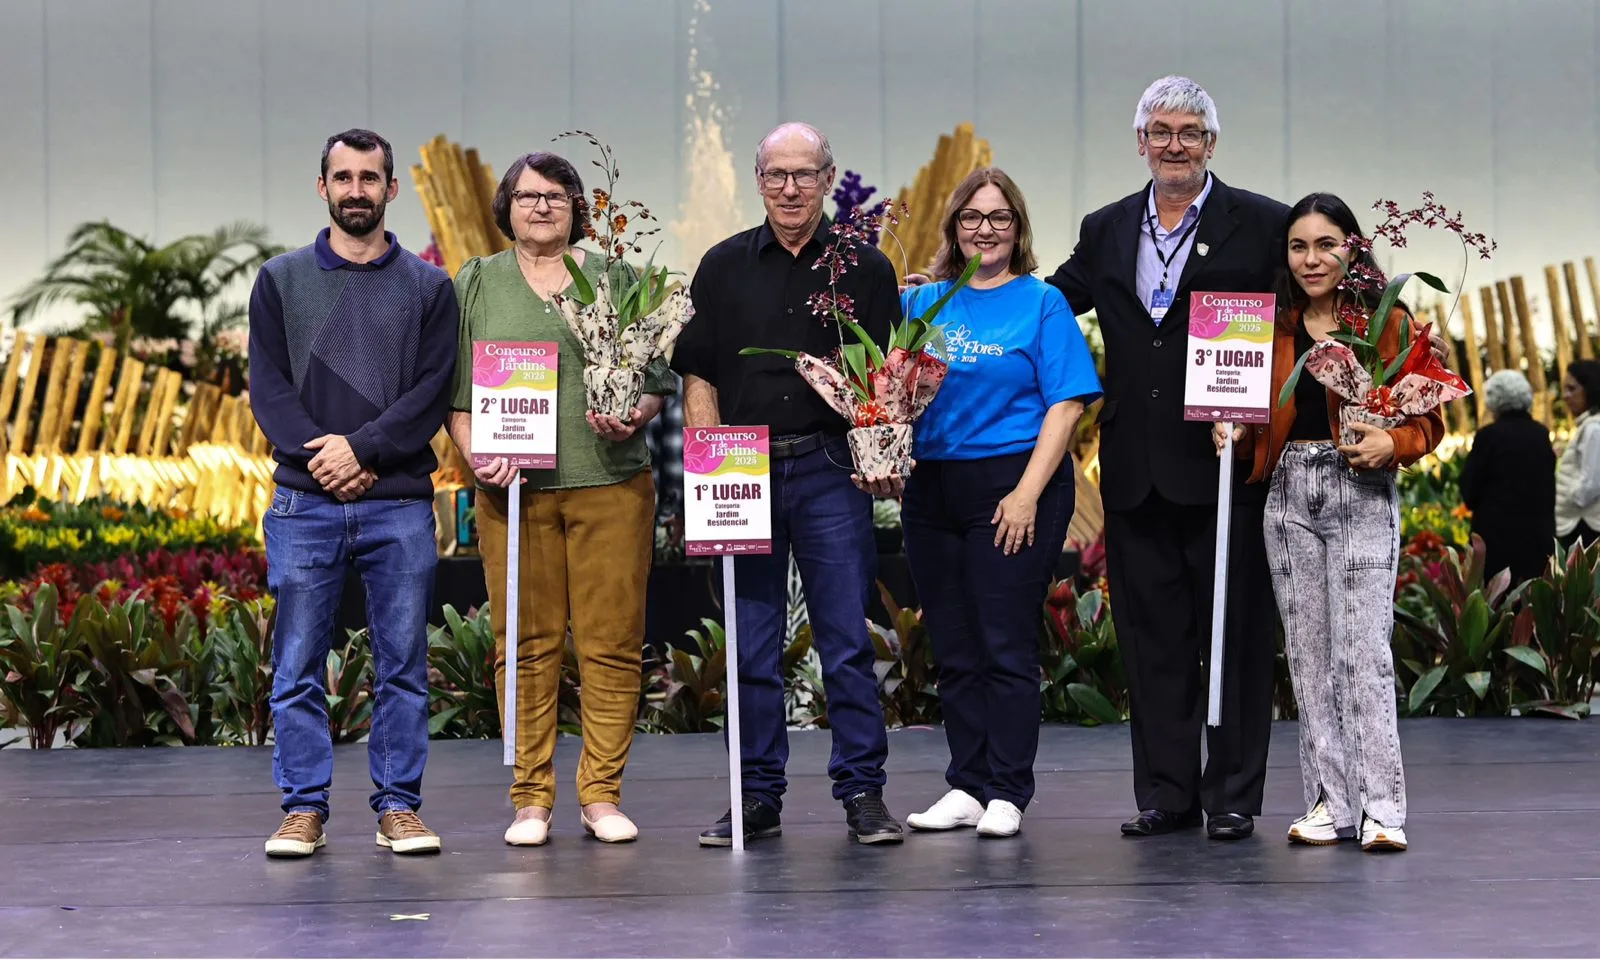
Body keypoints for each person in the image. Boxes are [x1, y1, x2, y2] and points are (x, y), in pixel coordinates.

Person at [1043, 76, 1286, 840]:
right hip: (1136, 471)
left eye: (1189, 132)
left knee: (1237, 639)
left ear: (1211, 144)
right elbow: (1054, 303)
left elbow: (1310, 318)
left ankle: (1235, 797)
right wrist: (957, 301)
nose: (1174, 144)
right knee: (1152, 645)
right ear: (1141, 141)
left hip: (1225, 470)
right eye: (1160, 131)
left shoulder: (1264, 225)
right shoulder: (1105, 227)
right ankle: (1166, 795)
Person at [672, 121, 905, 847]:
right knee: (751, 644)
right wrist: (707, 467)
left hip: (832, 468)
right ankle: (755, 798)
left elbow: (888, 379)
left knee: (845, 640)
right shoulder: (722, 265)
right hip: (742, 469)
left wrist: (885, 448)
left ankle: (863, 793)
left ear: (829, 179)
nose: (791, 188)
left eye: (805, 175)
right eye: (777, 175)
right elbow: (700, 373)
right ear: (759, 180)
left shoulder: (865, 268)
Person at [445, 151, 673, 847]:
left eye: (556, 196)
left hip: (610, 484)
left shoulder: (618, 277)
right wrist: (473, 451)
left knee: (611, 646)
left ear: (578, 207)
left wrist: (635, 413)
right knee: (525, 645)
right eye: (526, 195)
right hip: (512, 494)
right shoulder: (476, 283)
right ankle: (530, 798)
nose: (541, 206)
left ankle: (601, 794)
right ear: (505, 207)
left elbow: (657, 377)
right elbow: (455, 395)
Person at [249, 128, 458, 858]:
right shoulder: (279, 280)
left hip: (398, 504)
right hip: (304, 505)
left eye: (372, 178)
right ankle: (303, 808)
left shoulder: (431, 289)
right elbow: (268, 390)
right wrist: (328, 458)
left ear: (392, 189)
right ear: (323, 187)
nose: (358, 190)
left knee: (402, 664)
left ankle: (399, 806)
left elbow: (433, 391)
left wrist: (361, 451)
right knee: (299, 662)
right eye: (344, 177)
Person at [1226, 192, 1445, 852]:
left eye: (1327, 244)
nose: (1312, 258)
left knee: (1363, 654)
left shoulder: (1387, 324)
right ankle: (1329, 800)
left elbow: (1430, 417)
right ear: (1284, 255)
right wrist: (1234, 438)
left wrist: (1393, 444)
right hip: (1288, 494)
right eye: (1299, 246)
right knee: (1309, 657)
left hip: (1360, 490)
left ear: (1352, 249)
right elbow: (1254, 423)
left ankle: (1382, 807)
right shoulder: (1273, 327)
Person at [895, 169, 1102, 838]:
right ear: (953, 226)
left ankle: (1009, 789)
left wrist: (1025, 496)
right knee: (953, 643)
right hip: (933, 487)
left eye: (1000, 217)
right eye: (972, 217)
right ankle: (968, 784)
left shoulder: (1041, 303)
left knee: (1004, 641)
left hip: (1015, 482)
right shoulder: (922, 303)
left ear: (1019, 228)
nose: (985, 228)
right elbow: (888, 388)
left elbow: (1066, 405)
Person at [1459, 370, 1555, 582]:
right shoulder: (1540, 434)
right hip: (1536, 537)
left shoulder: (1488, 436)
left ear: (1493, 400)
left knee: (1498, 603)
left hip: (1496, 539)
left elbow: (1469, 488)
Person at [1555, 360, 1600, 548]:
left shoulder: (1593, 429)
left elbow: (1591, 483)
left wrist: (1570, 497)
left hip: (1584, 526)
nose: (1565, 396)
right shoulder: (1587, 426)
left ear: (1589, 389)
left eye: (1572, 389)